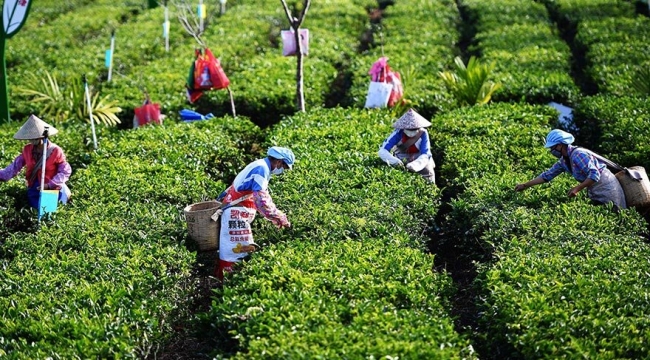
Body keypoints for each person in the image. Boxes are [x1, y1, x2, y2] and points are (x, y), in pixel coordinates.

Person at [214, 146, 295, 279]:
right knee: (237, 251)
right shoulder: (261, 169)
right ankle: (230, 282)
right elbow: (262, 201)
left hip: (237, 214)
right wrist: (279, 218)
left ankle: (225, 280)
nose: (283, 171)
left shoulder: (260, 165)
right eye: (285, 167)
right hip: (236, 215)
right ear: (280, 162)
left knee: (235, 249)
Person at [514, 129, 626, 210]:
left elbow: (594, 174)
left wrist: (577, 188)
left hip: (607, 187)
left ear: (560, 145)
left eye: (552, 147)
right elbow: (547, 176)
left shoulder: (578, 154)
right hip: (595, 188)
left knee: (615, 212)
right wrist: (525, 185)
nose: (552, 151)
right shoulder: (564, 160)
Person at [0, 115, 72, 208]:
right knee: (34, 212)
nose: (31, 140)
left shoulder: (55, 151)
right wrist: (2, 175)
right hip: (33, 189)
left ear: (41, 137)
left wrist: (50, 185)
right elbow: (14, 168)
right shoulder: (27, 150)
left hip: (50, 190)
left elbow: (65, 171)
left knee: (47, 213)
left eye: (34, 138)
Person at [378, 108, 436, 183]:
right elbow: (383, 150)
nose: (411, 132)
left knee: (428, 173)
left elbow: (426, 153)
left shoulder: (423, 133)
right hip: (402, 156)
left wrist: (415, 165)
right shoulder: (398, 133)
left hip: (420, 157)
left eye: (414, 129)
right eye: (409, 129)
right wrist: (395, 162)